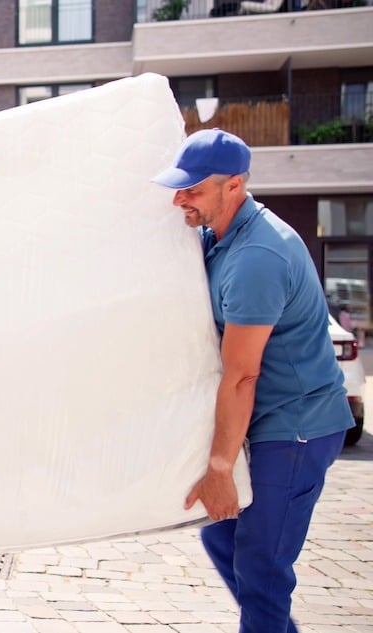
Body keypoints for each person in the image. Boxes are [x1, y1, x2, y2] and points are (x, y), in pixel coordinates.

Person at [151, 128, 354, 632]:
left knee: (262, 568)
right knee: (221, 535)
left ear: (234, 187)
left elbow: (242, 375)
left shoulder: (258, 258)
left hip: (296, 428)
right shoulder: (218, 236)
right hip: (269, 420)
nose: (180, 199)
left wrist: (220, 467)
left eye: (193, 190)